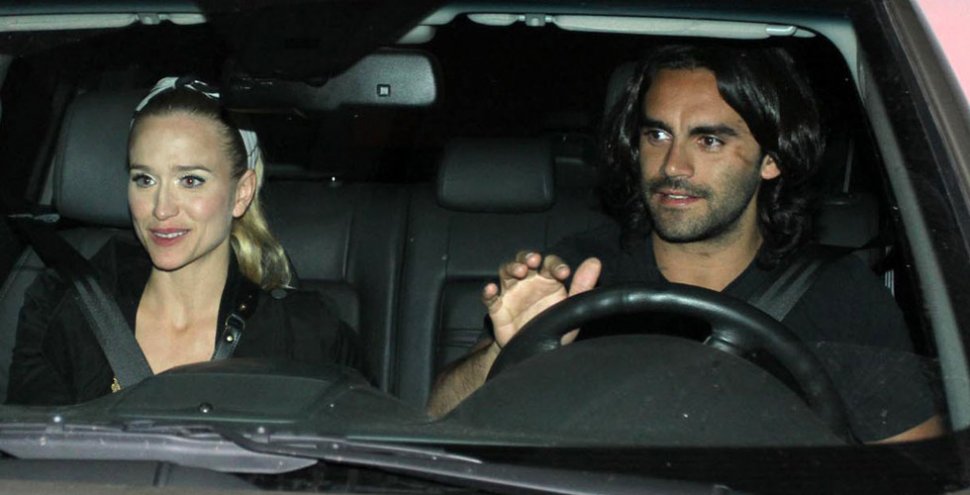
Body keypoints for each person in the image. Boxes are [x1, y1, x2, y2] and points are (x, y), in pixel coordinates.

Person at [426, 44, 944, 443]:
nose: (673, 166)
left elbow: (917, 472)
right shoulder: (583, 271)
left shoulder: (839, 296)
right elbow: (439, 418)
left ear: (772, 159)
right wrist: (505, 351)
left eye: (709, 140)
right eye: (656, 135)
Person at [7, 76, 360, 405]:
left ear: (241, 193)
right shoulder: (65, 307)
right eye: (145, 179)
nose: (161, 209)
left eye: (190, 181)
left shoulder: (305, 334)